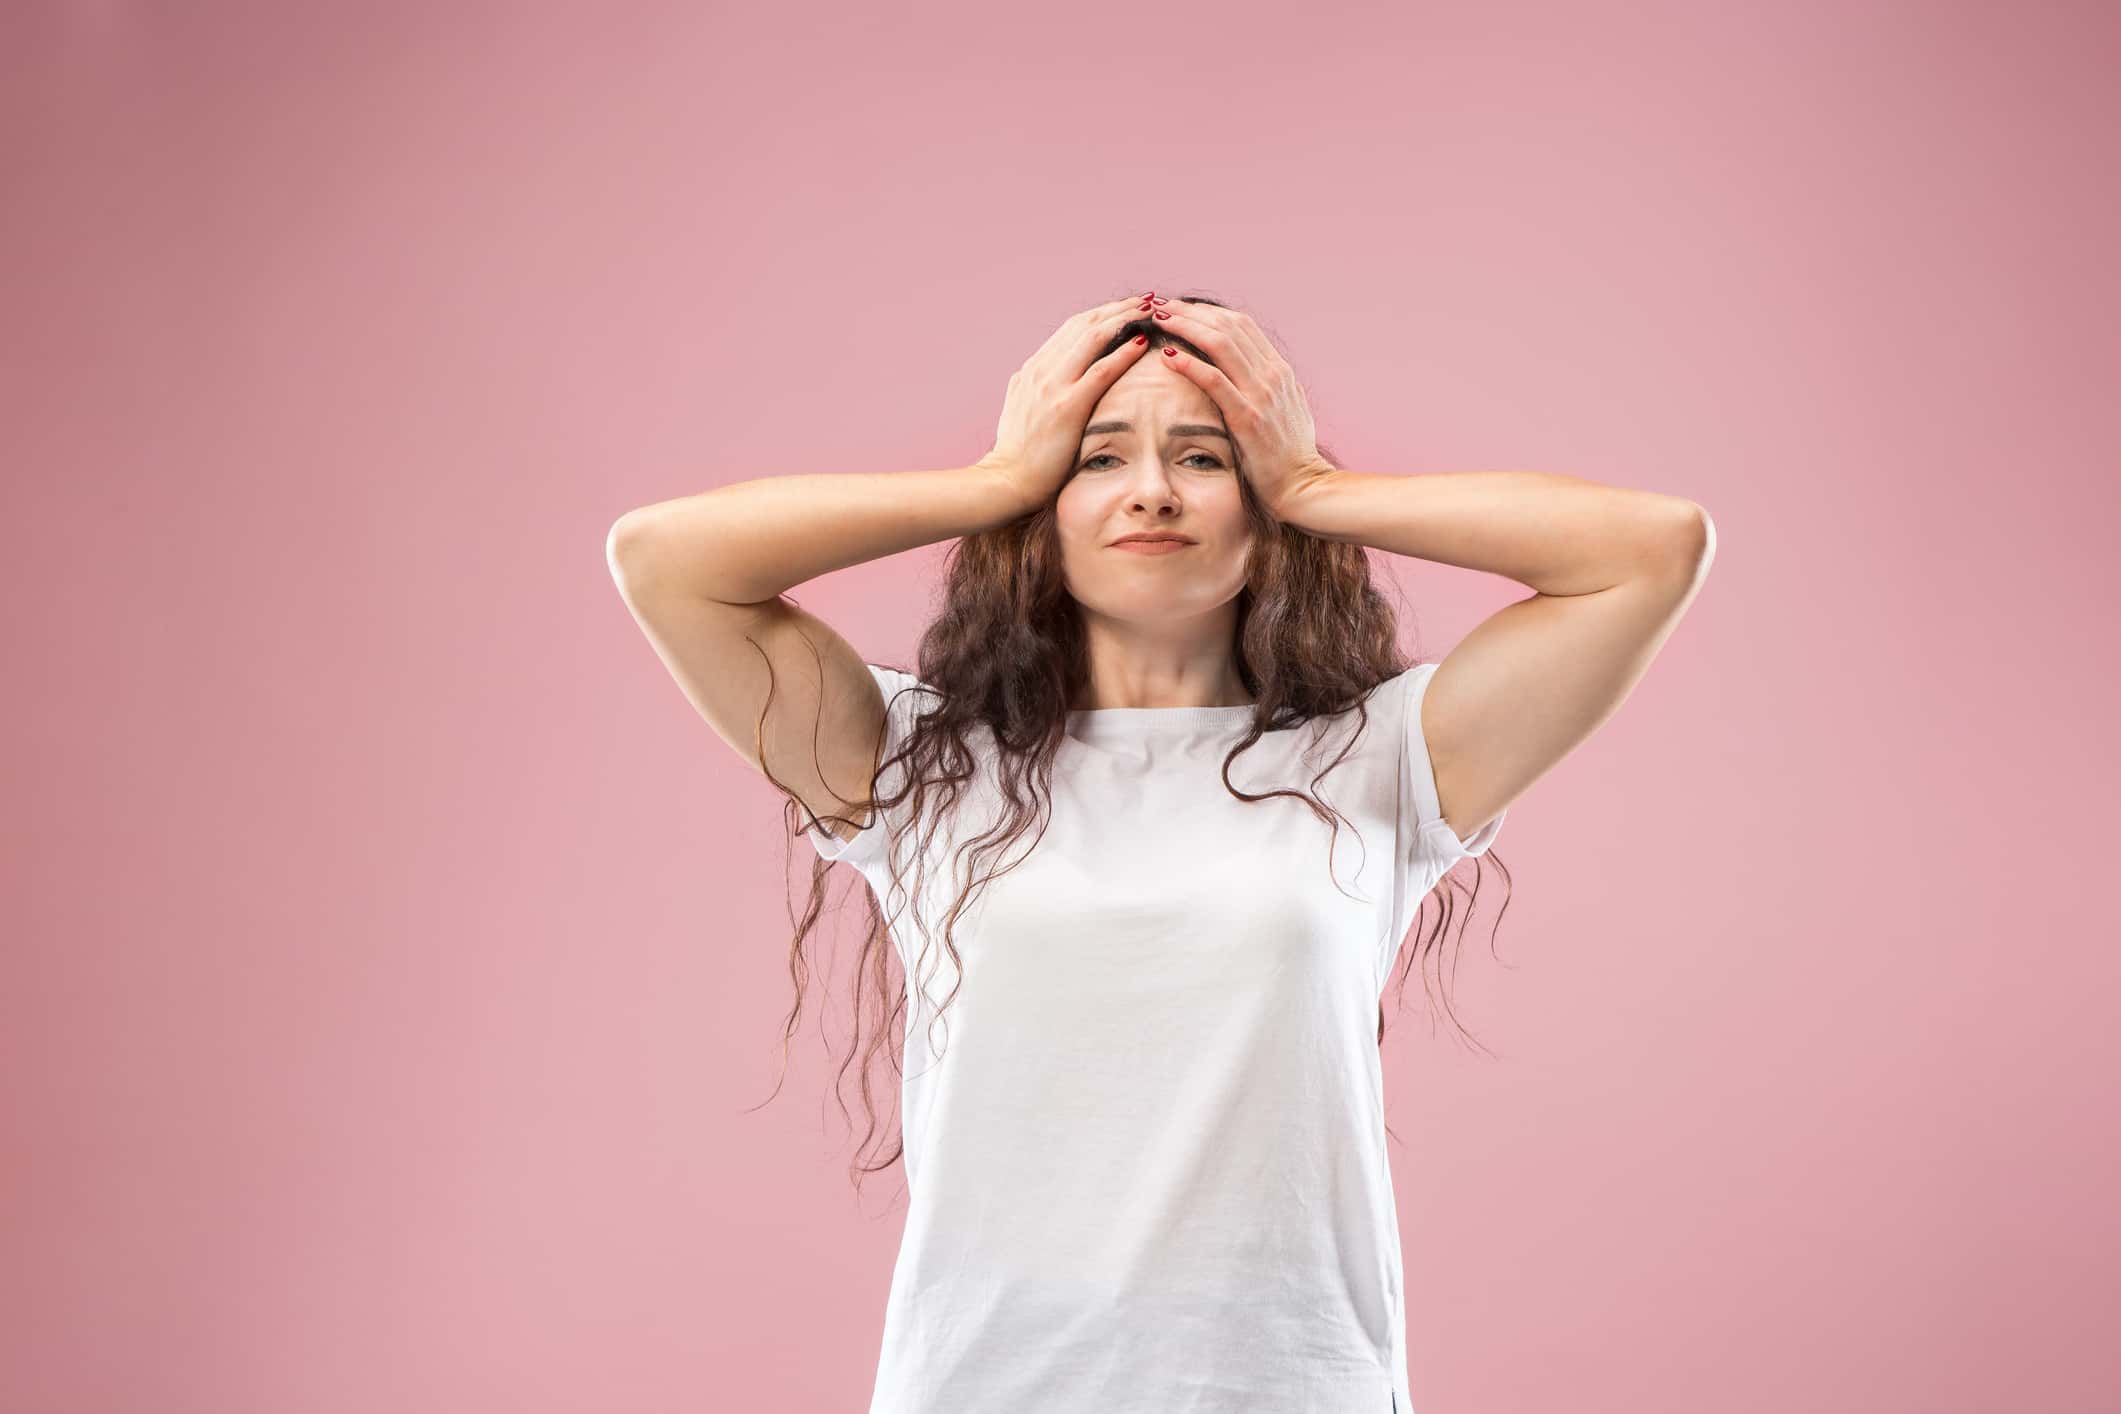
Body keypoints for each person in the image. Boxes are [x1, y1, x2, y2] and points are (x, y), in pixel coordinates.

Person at [606, 290, 1714, 1413]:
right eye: (1096, 458)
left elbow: (1651, 549)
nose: (1151, 491)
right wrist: (993, 480)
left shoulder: (1383, 755)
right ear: (1045, 504)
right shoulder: (919, 764)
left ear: (1260, 503)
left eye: (1204, 456)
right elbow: (664, 558)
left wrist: (1313, 488)